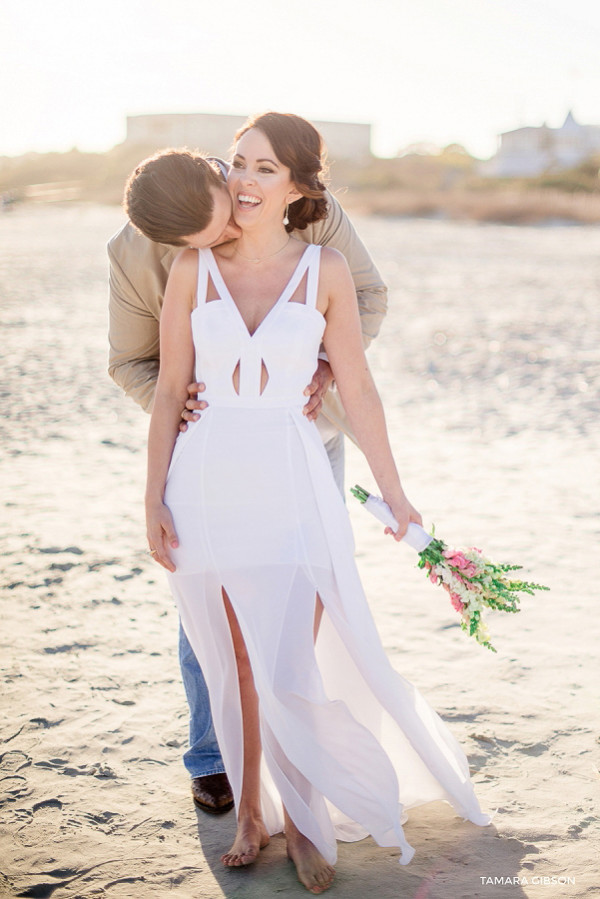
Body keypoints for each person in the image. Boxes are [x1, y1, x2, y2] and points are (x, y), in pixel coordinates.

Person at [133, 112, 490, 895]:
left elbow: (357, 386)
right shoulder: (193, 266)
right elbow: (166, 391)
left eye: (264, 168)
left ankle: (303, 818)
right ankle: (253, 816)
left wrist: (395, 492)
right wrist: (152, 497)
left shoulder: (325, 269)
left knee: (287, 659)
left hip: (294, 475)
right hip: (205, 480)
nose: (244, 180)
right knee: (231, 664)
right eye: (237, 164)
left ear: (298, 184)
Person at [107, 134, 389, 815]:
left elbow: (368, 298)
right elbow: (133, 365)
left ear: (220, 177)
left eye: (228, 216)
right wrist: (197, 407)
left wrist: (319, 366)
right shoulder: (137, 251)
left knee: (298, 611)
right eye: (206, 239)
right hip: (209, 452)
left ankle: (302, 779)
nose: (231, 234)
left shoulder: (308, 208)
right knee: (210, 610)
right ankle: (213, 756)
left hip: (302, 435)